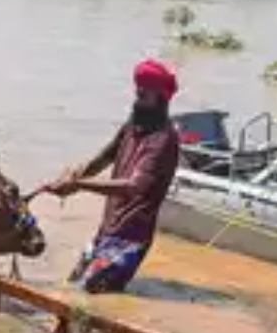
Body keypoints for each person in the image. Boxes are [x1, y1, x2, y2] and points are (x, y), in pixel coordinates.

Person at [45, 59, 181, 293]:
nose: (137, 101)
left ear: (160, 100)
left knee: (90, 292)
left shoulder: (163, 140)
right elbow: (104, 157)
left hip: (131, 238)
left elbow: (133, 187)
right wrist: (71, 177)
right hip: (107, 229)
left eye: (143, 96)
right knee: (72, 287)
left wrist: (80, 184)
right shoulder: (133, 124)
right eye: (137, 94)